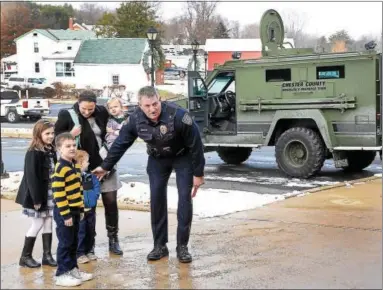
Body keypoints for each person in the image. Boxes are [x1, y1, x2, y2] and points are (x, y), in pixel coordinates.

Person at [92, 86, 206, 263]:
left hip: (182, 157)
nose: (152, 109)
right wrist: (106, 166)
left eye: (155, 104)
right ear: (139, 105)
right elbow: (121, 143)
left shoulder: (179, 115)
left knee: (184, 198)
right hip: (157, 158)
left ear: (160, 100)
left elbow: (196, 144)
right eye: (147, 106)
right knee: (157, 199)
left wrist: (198, 173)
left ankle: (182, 247)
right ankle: (159, 246)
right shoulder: (135, 120)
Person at [54, 91, 123, 255]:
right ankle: (88, 244)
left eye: (90, 109)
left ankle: (113, 239)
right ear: (78, 103)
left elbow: (115, 129)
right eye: (83, 109)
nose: (86, 112)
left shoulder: (102, 111)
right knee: (88, 207)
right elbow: (56, 139)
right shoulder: (67, 115)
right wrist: (71, 134)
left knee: (111, 203)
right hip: (84, 168)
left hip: (106, 165)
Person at [52, 132, 93, 287]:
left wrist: (81, 209)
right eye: (67, 146)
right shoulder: (61, 168)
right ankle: (61, 273)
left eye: (73, 145)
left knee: (74, 242)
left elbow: (78, 190)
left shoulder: (74, 165)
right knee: (65, 242)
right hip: (65, 212)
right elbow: (59, 194)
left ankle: (72, 268)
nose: (72, 148)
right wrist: (66, 214)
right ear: (59, 149)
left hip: (76, 210)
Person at [15, 120, 57, 268]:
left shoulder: (50, 150)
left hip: (50, 192)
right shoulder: (33, 153)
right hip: (38, 194)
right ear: (38, 134)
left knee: (49, 222)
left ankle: (47, 255)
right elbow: (31, 177)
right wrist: (36, 199)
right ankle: (25, 257)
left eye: (52, 133)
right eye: (47, 133)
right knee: (38, 223)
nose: (51, 136)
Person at [75, 150, 100, 264]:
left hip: (91, 208)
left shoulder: (90, 176)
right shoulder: (75, 177)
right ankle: (80, 253)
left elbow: (96, 186)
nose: (88, 163)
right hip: (80, 210)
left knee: (91, 230)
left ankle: (90, 250)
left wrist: (95, 197)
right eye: (86, 161)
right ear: (80, 163)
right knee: (81, 231)